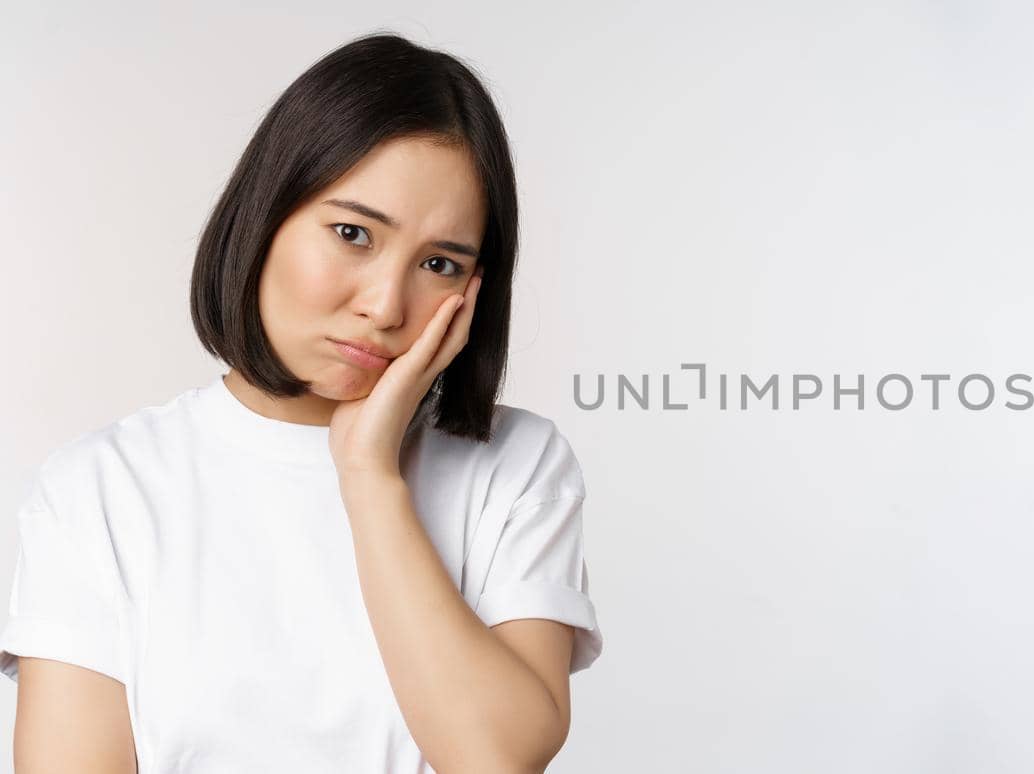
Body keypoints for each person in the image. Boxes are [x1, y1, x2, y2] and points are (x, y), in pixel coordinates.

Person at [0, 32, 603, 773]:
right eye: (353, 233)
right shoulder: (101, 488)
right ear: (266, 215)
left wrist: (368, 475)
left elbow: (497, 759)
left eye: (439, 263)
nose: (385, 306)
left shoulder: (515, 468)